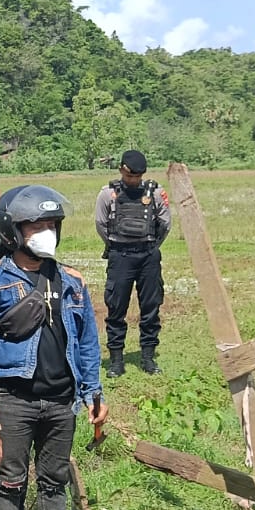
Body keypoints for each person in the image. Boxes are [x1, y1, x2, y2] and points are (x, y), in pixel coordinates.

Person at [0, 186, 107, 510]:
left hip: (61, 399)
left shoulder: (72, 281)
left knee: (54, 479)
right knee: (9, 480)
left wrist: (93, 391)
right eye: (35, 225)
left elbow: (86, 341)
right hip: (12, 397)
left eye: (51, 224)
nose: (45, 232)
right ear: (12, 230)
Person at [95, 149, 172, 376]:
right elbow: (101, 224)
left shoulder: (155, 192)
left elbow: (165, 224)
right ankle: (116, 361)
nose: (133, 180)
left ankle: (148, 358)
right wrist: (115, 246)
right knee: (116, 308)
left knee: (150, 307)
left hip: (148, 255)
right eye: (129, 176)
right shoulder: (107, 194)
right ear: (121, 170)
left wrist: (152, 246)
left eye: (137, 176)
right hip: (120, 256)